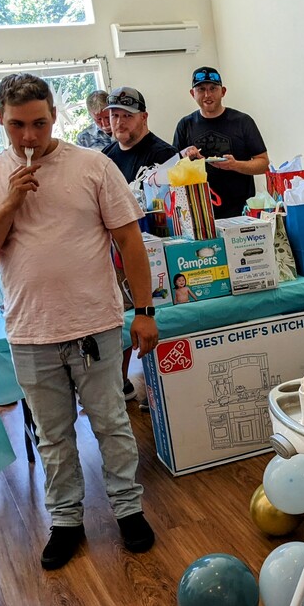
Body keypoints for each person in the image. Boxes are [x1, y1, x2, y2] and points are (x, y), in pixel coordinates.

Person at [0, 73, 159, 571]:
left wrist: (145, 311)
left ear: (54, 117)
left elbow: (130, 241)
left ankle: (128, 510)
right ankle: (66, 520)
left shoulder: (93, 165)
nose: (29, 136)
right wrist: (10, 202)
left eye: (40, 123)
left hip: (97, 325)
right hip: (30, 331)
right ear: (0, 119)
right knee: (53, 435)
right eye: (18, 125)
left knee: (112, 424)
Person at [101, 86, 197, 408]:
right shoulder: (104, 160)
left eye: (126, 115)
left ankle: (161, 384)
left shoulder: (164, 154)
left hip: (160, 248)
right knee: (122, 317)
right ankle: (121, 383)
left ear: (143, 117)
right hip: (116, 252)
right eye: (114, 115)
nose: (119, 122)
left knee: (156, 315)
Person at [172, 66, 269, 218]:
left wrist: (235, 165)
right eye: (201, 89)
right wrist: (187, 158)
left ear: (223, 91)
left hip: (241, 211)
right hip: (198, 211)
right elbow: (173, 169)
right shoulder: (185, 125)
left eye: (213, 88)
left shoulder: (242, 121)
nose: (207, 95)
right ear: (192, 94)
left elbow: (263, 164)